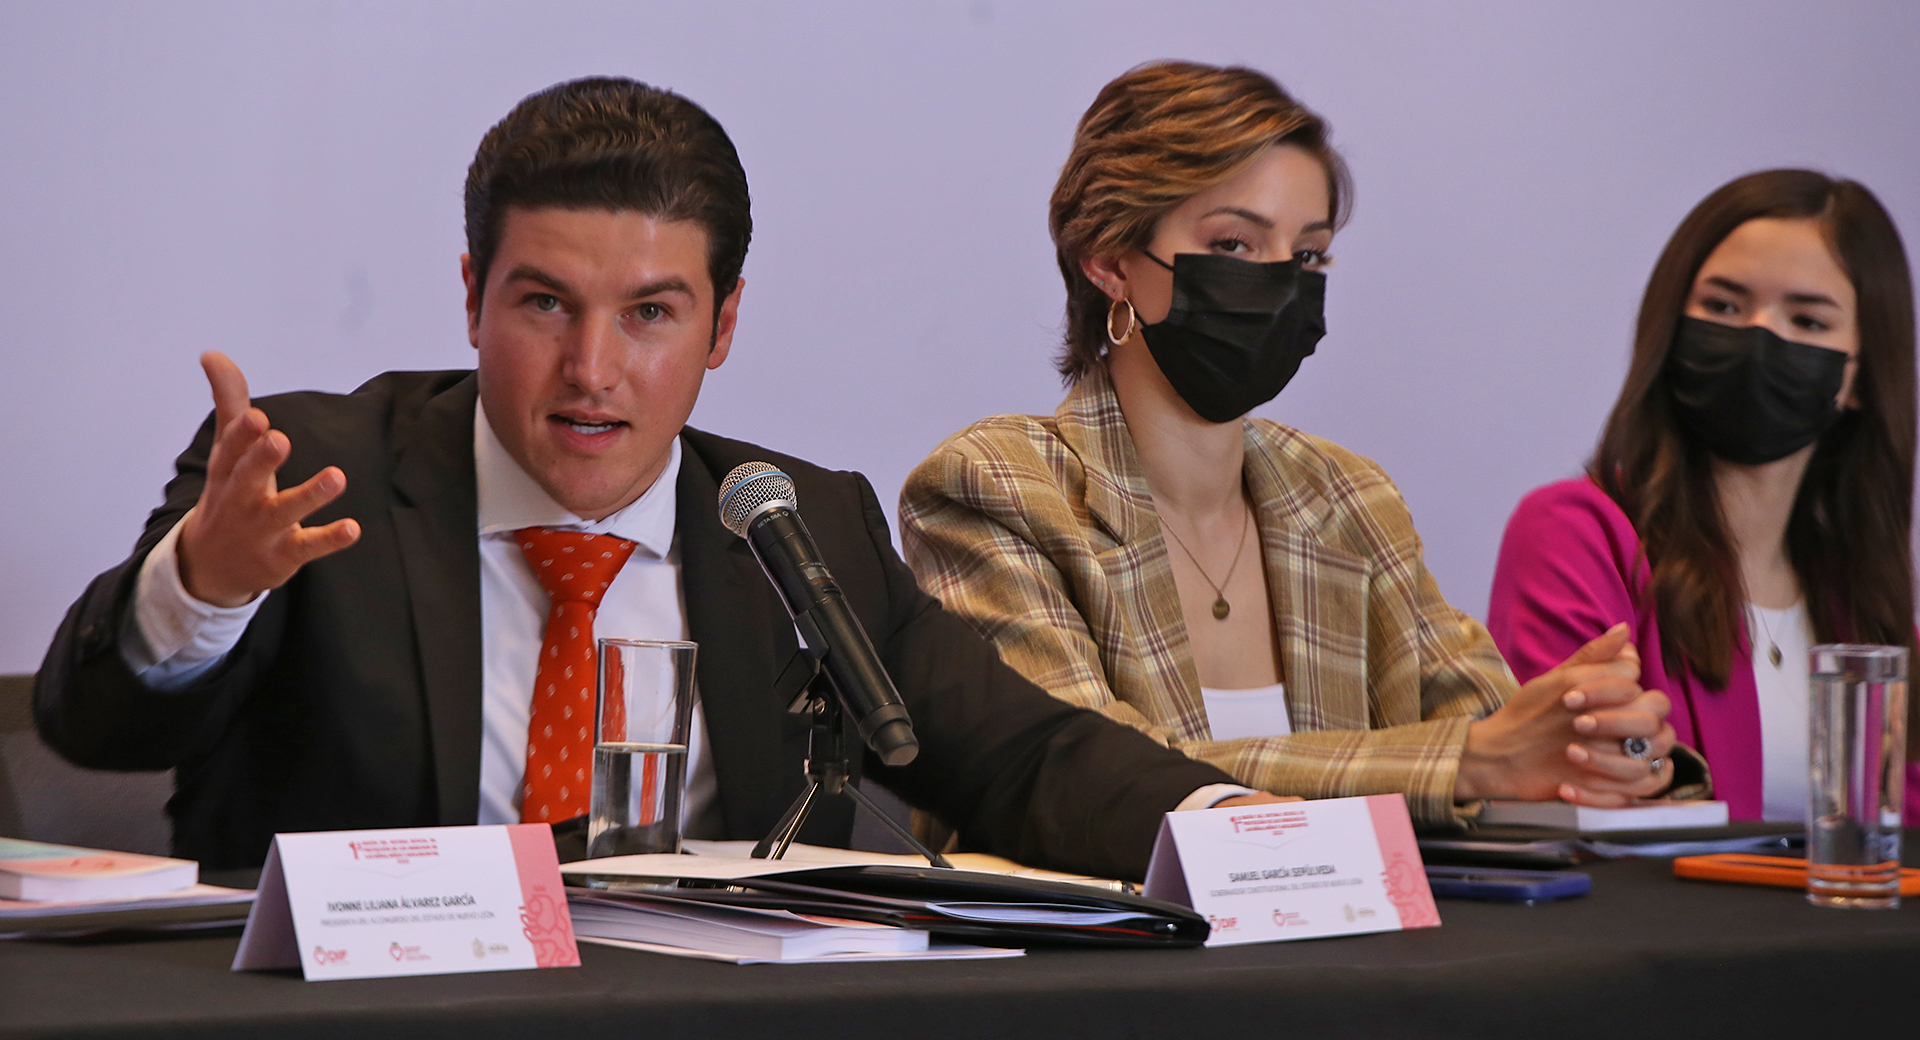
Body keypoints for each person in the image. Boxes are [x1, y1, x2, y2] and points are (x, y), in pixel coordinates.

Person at [33, 77, 1263, 879]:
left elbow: (1021, 755)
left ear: (723, 327)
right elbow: (92, 725)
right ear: (471, 297)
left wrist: (1236, 827)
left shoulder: (799, 525)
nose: (592, 368)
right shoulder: (310, 478)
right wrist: (203, 584)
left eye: (651, 313)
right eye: (544, 303)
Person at [899, 60, 1682, 828]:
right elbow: (1089, 771)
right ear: (1109, 261)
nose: (1280, 286)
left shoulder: (1346, 496)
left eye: (1306, 256)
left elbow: (1498, 740)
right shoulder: (995, 486)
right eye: (1236, 245)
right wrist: (1466, 761)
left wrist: (1593, 741)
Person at [1488, 169, 1919, 823]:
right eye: (1723, 306)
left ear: (1862, 377)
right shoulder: (1578, 534)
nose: (1759, 337)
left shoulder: (1859, 593)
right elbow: (1576, 784)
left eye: (1807, 319)